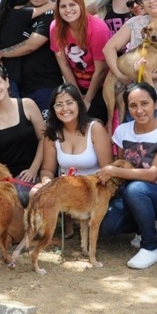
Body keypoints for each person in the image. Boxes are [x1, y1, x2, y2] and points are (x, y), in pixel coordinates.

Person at [96, 83, 157, 270]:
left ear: (156, 103)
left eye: (145, 103)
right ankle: (142, 224)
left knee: (137, 187)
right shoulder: (123, 131)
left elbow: (153, 174)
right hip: (132, 193)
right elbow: (121, 164)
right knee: (106, 226)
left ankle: (151, 246)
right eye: (133, 105)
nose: (139, 110)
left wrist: (113, 171)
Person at [34, 83, 113, 238]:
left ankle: (73, 223)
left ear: (79, 104)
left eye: (69, 103)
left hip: (95, 191)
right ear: (53, 109)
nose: (65, 109)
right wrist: (46, 181)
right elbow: (47, 170)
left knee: (109, 227)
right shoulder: (52, 134)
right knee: (34, 192)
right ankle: (54, 228)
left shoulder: (95, 128)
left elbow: (108, 171)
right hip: (66, 189)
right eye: (59, 104)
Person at [0, 0, 63, 115]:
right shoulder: (23, 12)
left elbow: (31, 45)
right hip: (21, 86)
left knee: (46, 131)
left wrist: (0, 54)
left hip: (44, 86)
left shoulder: (51, 15)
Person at [0, 65, 45, 199]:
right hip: (5, 178)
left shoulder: (27, 105)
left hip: (32, 174)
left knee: (27, 195)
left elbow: (44, 139)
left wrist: (34, 169)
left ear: (7, 82)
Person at [50, 0, 111, 122]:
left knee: (93, 121)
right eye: (63, 6)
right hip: (77, 84)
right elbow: (64, 66)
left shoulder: (98, 29)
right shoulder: (55, 27)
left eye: (72, 4)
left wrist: (87, 100)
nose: (68, 10)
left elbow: (101, 70)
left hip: (102, 85)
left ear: (81, 5)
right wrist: (76, 96)